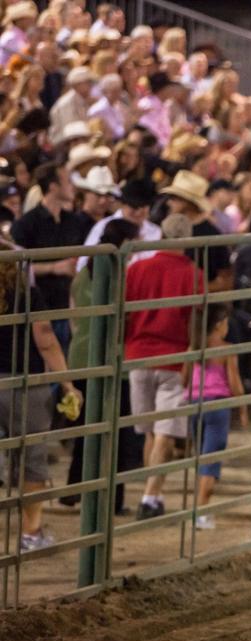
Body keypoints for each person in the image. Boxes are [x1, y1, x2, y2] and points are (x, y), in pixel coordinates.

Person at [0, 252, 83, 551]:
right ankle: (31, 533)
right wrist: (68, 384)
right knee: (31, 460)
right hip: (24, 385)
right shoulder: (27, 294)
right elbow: (45, 339)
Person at [125, 213, 204, 520]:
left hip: (138, 354)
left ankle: (152, 494)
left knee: (149, 431)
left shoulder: (137, 268)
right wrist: (192, 355)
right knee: (165, 433)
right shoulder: (193, 274)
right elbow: (195, 319)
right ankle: (149, 496)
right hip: (173, 356)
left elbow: (125, 311)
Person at [64, 218, 140, 512]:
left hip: (81, 356)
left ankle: (75, 489)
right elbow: (122, 319)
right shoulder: (119, 275)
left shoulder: (84, 272)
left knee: (86, 430)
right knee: (114, 433)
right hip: (110, 359)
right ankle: (113, 500)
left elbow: (73, 316)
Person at [182, 303, 247, 529]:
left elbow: (184, 380)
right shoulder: (226, 350)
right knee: (211, 459)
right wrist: (242, 407)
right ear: (220, 325)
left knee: (201, 456)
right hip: (218, 406)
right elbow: (235, 381)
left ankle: (198, 508)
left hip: (194, 404)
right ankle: (202, 511)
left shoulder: (194, 349)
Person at [10, 163, 86, 353]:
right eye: (68, 181)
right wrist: (54, 267)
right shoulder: (25, 224)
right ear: (53, 186)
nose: (73, 186)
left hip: (69, 306)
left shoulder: (74, 222)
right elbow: (14, 266)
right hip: (38, 308)